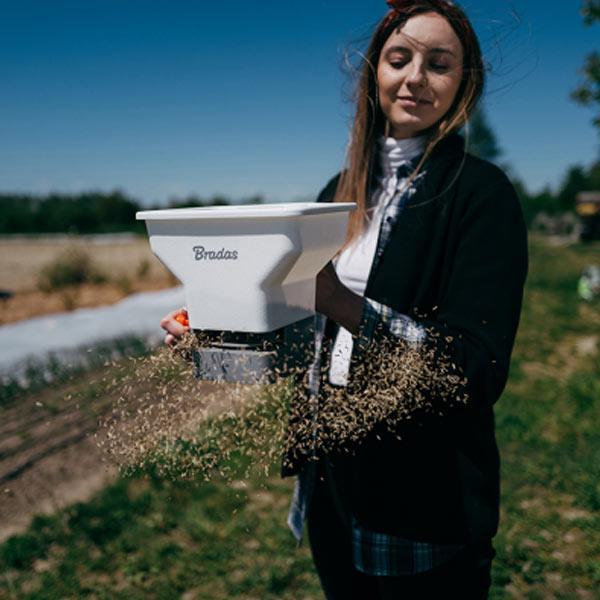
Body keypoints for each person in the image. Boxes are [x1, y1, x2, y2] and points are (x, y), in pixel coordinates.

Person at [161, 1, 528, 597]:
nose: (414, 77)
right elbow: (314, 344)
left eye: (439, 63)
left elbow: (475, 369)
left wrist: (344, 304)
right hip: (330, 490)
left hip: (420, 506)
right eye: (399, 58)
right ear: (373, 74)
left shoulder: (481, 196)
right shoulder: (339, 194)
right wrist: (214, 348)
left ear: (464, 83)